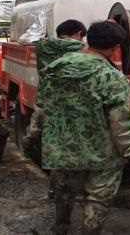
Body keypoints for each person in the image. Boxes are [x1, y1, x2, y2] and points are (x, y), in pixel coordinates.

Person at [40, 21, 130, 235]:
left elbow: (44, 105)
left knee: (63, 191)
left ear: (88, 38)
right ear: (115, 47)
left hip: (60, 147)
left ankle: (61, 228)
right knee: (98, 199)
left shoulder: (55, 68)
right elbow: (120, 124)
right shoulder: (112, 77)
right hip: (101, 153)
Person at [22, 19, 88, 162]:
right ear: (78, 33)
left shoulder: (43, 45)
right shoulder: (82, 49)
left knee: (40, 128)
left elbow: (23, 39)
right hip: (71, 102)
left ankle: (30, 143)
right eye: (82, 36)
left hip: (46, 98)